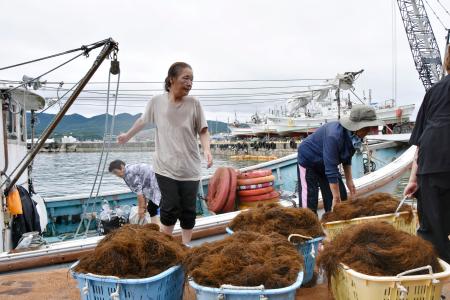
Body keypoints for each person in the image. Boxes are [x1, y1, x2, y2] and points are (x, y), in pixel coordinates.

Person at [117, 62, 212, 244]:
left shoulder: (194, 103)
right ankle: (165, 246)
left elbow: (203, 131)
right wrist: (127, 136)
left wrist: (207, 150)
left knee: (188, 211)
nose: (190, 83)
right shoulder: (156, 102)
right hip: (164, 166)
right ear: (171, 79)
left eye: (192, 79)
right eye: (186, 78)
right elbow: (143, 121)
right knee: (170, 207)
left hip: (190, 168)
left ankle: (185, 245)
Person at [403, 46, 450, 263]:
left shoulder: (433, 91)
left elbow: (420, 143)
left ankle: (438, 280)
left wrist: (413, 179)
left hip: (431, 162)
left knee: (432, 229)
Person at [297, 105, 383, 214]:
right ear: (357, 127)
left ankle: (332, 223)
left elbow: (347, 158)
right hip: (308, 159)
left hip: (327, 162)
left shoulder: (355, 137)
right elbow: (331, 169)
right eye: (367, 128)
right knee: (309, 201)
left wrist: (349, 181)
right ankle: (307, 228)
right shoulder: (334, 136)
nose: (369, 131)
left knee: (342, 195)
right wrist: (336, 198)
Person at [109, 160, 160, 224]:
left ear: (122, 167)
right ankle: (155, 227)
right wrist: (144, 205)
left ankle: (160, 227)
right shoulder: (129, 169)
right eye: (114, 174)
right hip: (154, 181)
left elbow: (139, 193)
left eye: (116, 172)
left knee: (161, 206)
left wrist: (141, 208)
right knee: (151, 208)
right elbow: (143, 189)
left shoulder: (129, 174)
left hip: (157, 182)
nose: (117, 175)